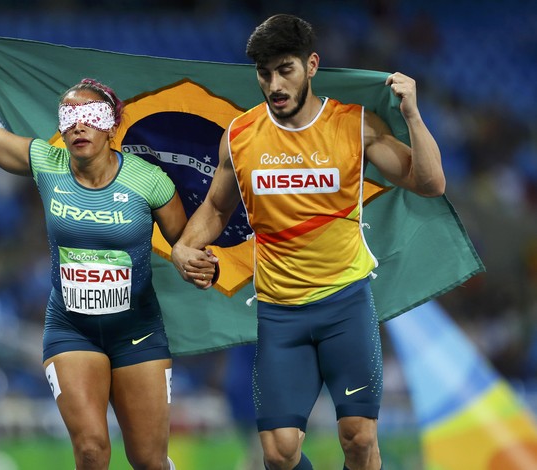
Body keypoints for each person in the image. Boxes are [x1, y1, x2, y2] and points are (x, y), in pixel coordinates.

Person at [171, 14, 445, 470]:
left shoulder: (354, 125)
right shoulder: (240, 136)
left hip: (346, 306)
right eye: (265, 73)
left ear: (311, 65)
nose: (275, 84)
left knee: (358, 439)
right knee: (279, 454)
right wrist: (184, 245)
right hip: (280, 313)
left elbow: (430, 183)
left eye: (286, 69)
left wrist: (412, 114)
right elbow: (217, 210)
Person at [0, 25, 198, 470]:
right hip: (71, 330)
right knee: (92, 451)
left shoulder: (149, 180)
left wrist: (193, 258)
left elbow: (184, 243)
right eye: (68, 118)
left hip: (138, 332)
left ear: (112, 127)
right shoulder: (46, 163)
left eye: (91, 118)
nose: (78, 127)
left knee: (150, 461)